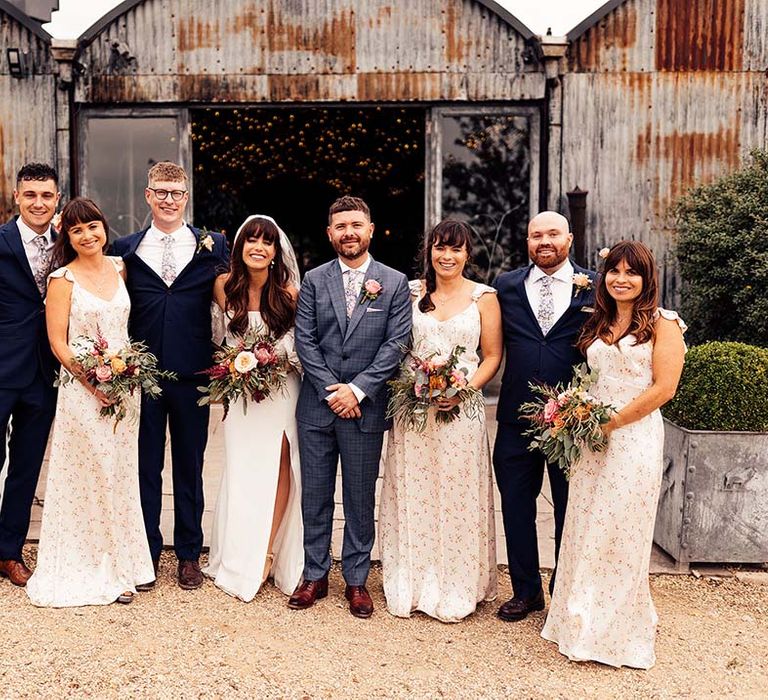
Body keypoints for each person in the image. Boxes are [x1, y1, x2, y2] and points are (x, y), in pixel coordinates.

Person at [541, 240, 686, 669]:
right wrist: (574, 413)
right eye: (614, 272)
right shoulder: (599, 322)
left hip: (633, 437)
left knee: (621, 528)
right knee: (586, 523)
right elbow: (590, 379)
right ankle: (575, 617)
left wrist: (614, 422)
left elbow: (664, 388)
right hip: (592, 439)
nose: (621, 279)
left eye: (631, 272)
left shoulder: (664, 325)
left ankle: (613, 629)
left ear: (647, 279)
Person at [26, 198, 155, 607]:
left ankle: (128, 562)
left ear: (104, 226)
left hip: (124, 388)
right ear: (68, 234)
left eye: (93, 226)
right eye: (77, 229)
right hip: (83, 390)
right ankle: (98, 567)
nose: (87, 235)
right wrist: (91, 380)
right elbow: (57, 342)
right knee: (92, 474)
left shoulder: (121, 267)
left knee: (120, 473)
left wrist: (125, 372)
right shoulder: (61, 279)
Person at [291, 195, 411, 618]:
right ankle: (315, 574)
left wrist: (356, 391)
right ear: (330, 233)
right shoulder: (313, 279)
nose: (349, 233)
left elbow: (396, 344)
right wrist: (332, 390)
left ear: (371, 229)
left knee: (360, 497)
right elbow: (304, 340)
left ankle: (357, 581)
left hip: (365, 408)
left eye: (356, 225)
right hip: (317, 408)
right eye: (340, 226)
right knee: (316, 496)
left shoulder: (394, 283)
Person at [110, 162, 229, 590]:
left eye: (176, 193)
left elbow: (231, 300)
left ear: (186, 197)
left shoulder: (212, 245)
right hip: (141, 376)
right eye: (160, 192)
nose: (168, 200)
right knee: (144, 466)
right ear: (147, 195)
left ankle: (188, 555)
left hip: (193, 373)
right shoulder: (124, 248)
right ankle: (144, 549)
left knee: (190, 466)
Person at [378, 220, 503, 622]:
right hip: (413, 412)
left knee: (457, 495)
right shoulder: (411, 292)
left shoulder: (484, 298)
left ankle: (458, 582)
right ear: (429, 250)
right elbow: (395, 348)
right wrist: (415, 386)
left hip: (460, 412)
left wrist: (462, 390)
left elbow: (493, 356)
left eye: (455, 249)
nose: (446, 256)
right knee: (414, 491)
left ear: (468, 255)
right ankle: (413, 579)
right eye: (439, 248)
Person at [493, 211, 596, 621]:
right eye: (537, 235)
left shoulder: (595, 285)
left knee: (571, 506)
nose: (544, 241)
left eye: (553, 234)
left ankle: (566, 588)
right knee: (516, 505)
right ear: (528, 242)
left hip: (572, 419)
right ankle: (526, 591)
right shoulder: (506, 286)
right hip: (516, 417)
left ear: (569, 239)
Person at [203, 215, 304, 601]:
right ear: (240, 246)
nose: (258, 248)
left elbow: (299, 342)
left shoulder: (289, 293)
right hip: (242, 394)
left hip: (280, 391)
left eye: (267, 242)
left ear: (277, 251)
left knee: (280, 464)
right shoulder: (223, 286)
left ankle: (268, 552)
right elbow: (217, 338)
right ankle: (238, 551)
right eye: (251, 241)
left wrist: (272, 354)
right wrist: (234, 365)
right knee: (243, 468)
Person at [0, 163, 60, 587]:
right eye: (31, 195)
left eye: (47, 195)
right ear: (17, 198)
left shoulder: (68, 244)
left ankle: (9, 552)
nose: (39, 203)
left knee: (26, 467)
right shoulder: (0, 241)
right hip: (2, 368)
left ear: (57, 199)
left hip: (45, 371)